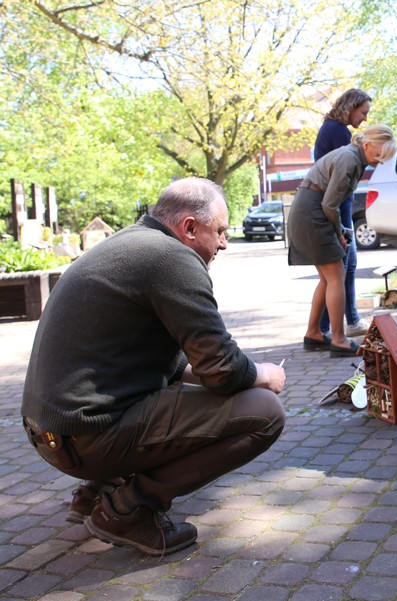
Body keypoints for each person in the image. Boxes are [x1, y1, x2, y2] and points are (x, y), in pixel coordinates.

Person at [21, 177, 286, 556]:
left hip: (51, 433)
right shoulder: (172, 258)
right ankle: (128, 509)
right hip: (84, 439)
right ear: (190, 227)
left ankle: (96, 492)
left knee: (178, 392)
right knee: (265, 412)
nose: (225, 243)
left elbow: (183, 367)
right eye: (221, 231)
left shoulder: (129, 245)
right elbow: (222, 369)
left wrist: (233, 374)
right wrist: (265, 375)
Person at [288, 124, 397, 358]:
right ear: (366, 145)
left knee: (328, 279)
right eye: (378, 156)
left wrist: (340, 229)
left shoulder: (352, 157)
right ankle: (338, 339)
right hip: (313, 214)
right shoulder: (349, 159)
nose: (379, 162)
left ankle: (314, 334)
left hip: (309, 211)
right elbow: (329, 204)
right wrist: (339, 233)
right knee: (337, 275)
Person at [315, 88, 372, 338]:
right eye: (364, 112)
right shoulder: (338, 132)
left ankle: (344, 322)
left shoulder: (335, 129)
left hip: (339, 202)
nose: (365, 118)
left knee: (346, 266)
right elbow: (341, 174)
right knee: (342, 267)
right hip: (337, 204)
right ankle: (330, 327)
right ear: (351, 107)